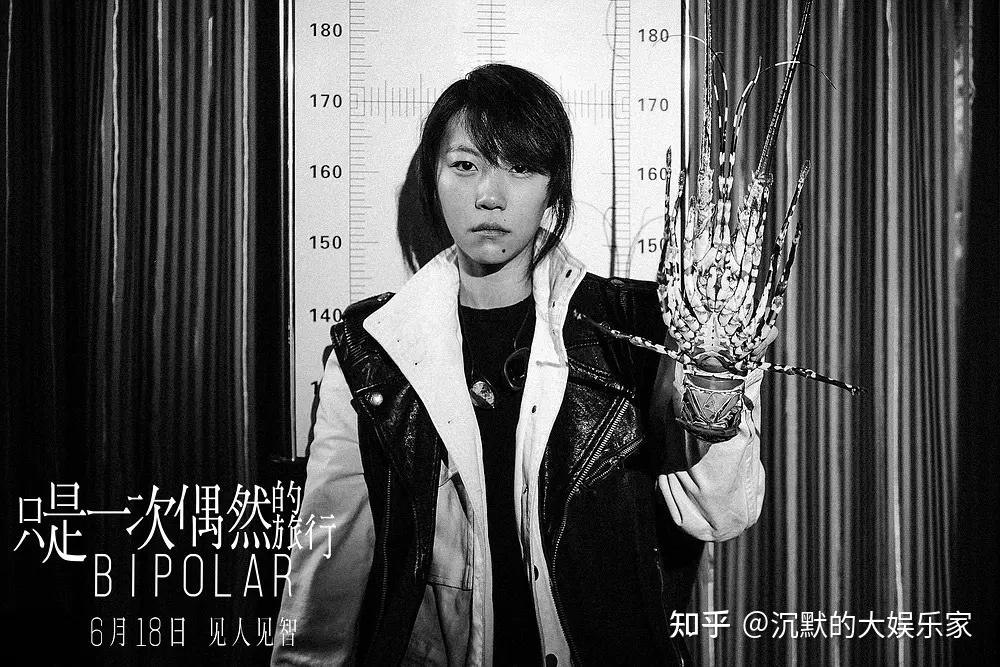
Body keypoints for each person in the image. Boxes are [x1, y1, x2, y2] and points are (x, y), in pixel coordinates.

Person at [272, 63, 766, 666]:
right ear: (433, 178)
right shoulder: (371, 351)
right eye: (466, 165)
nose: (490, 195)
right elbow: (328, 565)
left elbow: (721, 513)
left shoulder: (641, 332)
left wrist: (715, 392)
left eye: (522, 168)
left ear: (554, 187)